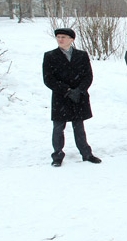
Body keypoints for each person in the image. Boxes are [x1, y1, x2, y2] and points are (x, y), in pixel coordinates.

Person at [42, 28, 101, 166]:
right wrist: (67, 90)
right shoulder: (50, 56)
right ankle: (57, 156)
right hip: (61, 97)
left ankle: (86, 154)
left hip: (78, 96)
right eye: (58, 37)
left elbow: (88, 75)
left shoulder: (81, 55)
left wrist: (79, 90)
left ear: (71, 39)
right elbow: (48, 79)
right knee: (58, 128)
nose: (60, 39)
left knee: (79, 127)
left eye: (63, 37)